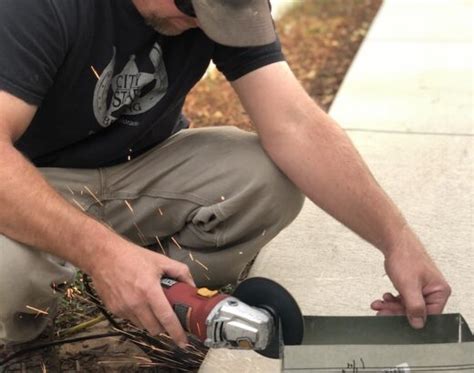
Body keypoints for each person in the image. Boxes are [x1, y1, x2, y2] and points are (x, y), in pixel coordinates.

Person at [0, 0, 451, 350]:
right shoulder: (39, 10)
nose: (203, 25)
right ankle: (73, 286)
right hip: (37, 182)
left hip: (143, 169)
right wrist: (102, 254)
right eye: (197, 10)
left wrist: (398, 241)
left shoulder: (218, 9)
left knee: (265, 181)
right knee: (7, 275)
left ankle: (158, 294)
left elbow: (295, 125)